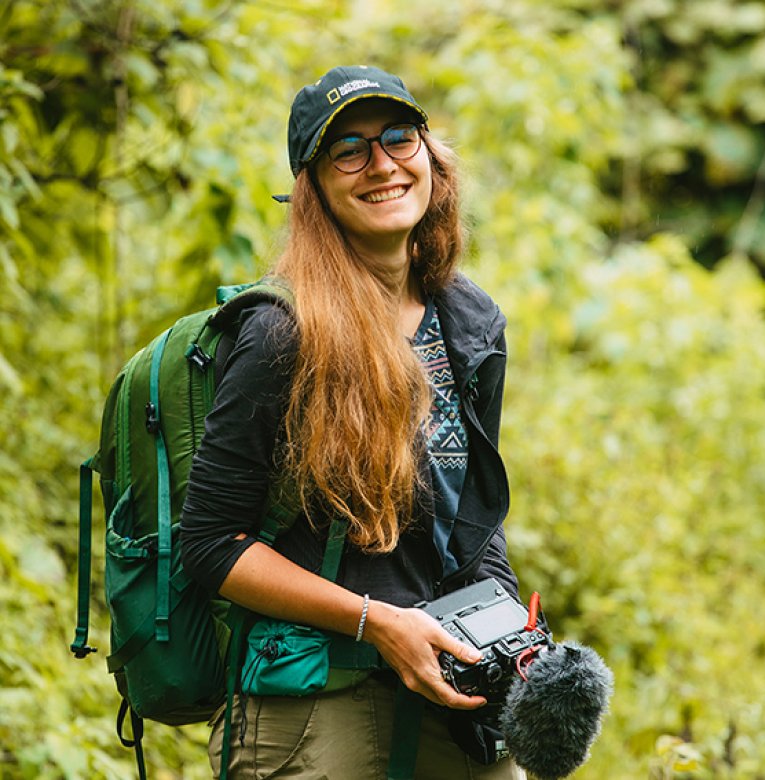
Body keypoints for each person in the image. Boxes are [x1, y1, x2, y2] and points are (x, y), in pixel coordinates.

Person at [180, 64, 524, 780]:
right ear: (315, 188)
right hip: (311, 703)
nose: (382, 165)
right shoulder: (282, 334)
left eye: (399, 138)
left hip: (445, 696)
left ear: (430, 157)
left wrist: (511, 637)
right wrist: (378, 623)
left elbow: (472, 526)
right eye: (349, 150)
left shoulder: (470, 323)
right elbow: (211, 545)